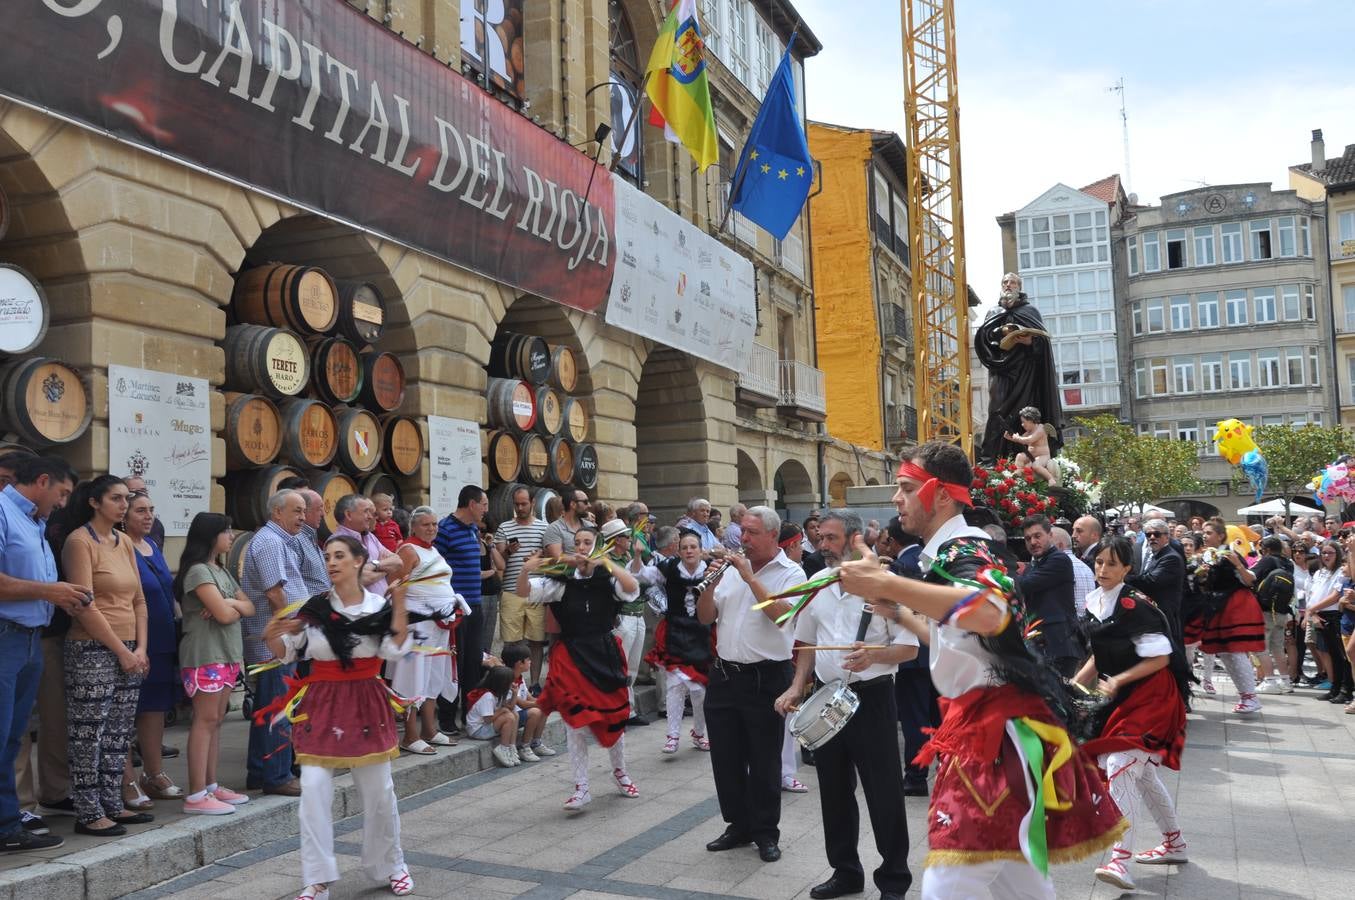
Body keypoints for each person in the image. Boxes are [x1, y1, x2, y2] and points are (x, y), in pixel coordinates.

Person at [836, 442, 1124, 899]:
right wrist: (899, 610)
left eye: (906, 487)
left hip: (994, 734)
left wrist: (887, 582)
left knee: (952, 877)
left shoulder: (964, 548)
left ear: (940, 493)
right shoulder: (949, 553)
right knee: (1017, 877)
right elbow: (962, 640)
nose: (896, 498)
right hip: (989, 725)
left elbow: (990, 612)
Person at [259, 535, 415, 900]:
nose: (331, 562)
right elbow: (288, 653)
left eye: (339, 556)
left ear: (359, 561)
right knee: (313, 790)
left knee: (379, 792)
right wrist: (271, 636)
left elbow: (395, 650)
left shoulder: (378, 607)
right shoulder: (314, 609)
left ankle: (392, 866)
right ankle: (317, 878)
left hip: (365, 703)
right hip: (323, 703)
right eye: (327, 556)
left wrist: (400, 604)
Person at [775, 511, 918, 900]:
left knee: (883, 792)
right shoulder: (817, 583)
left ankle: (894, 880)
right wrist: (797, 686)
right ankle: (845, 872)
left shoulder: (884, 584)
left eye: (831, 538)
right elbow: (807, 642)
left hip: (872, 698)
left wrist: (874, 656)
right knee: (834, 790)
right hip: (826, 695)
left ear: (855, 540)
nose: (822, 545)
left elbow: (910, 647)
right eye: (820, 538)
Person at [1076, 536, 1190, 891]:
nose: (1102, 569)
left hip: (1153, 696)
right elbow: (1100, 653)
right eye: (1099, 562)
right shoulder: (1094, 600)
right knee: (1141, 775)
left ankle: (1120, 860)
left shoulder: (1135, 605)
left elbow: (1160, 659)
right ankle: (1175, 844)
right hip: (1123, 697)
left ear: (1127, 568)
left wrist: (1118, 680)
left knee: (1120, 764)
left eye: (1111, 563)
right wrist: (1075, 684)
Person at [696, 507, 804, 863]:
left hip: (766, 678)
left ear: (773, 535)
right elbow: (705, 617)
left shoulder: (792, 572)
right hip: (725, 675)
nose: (743, 539)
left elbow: (783, 616)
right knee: (726, 758)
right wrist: (709, 586)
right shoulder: (729, 570)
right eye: (742, 531)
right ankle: (738, 825)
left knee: (764, 759)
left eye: (752, 533)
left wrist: (749, 578)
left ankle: (765, 832)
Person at [518, 526, 641, 810]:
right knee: (575, 722)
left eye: (588, 542)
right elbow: (523, 591)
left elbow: (631, 588)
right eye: (578, 543)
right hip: (571, 654)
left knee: (614, 718)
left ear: (598, 546)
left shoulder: (608, 578)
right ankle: (581, 786)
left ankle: (620, 772)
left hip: (604, 653)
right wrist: (527, 568)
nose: (582, 547)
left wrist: (606, 563)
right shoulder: (561, 580)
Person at [61, 476, 151, 837]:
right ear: (95, 502)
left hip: (130, 647)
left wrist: (140, 648)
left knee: (118, 733)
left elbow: (139, 600)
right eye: (116, 498)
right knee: (89, 732)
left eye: (126, 499)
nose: (123, 505)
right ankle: (88, 812)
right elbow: (84, 605)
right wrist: (121, 650)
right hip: (91, 648)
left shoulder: (124, 541)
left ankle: (112, 802)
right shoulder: (79, 541)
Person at [0, 456, 80, 853]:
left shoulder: (34, 521)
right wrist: (51, 592)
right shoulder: (2, 511)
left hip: (29, 638)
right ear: (43, 481)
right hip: (6, 637)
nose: (63, 503)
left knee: (12, 738)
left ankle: (7, 824)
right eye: (62, 493)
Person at [175, 512, 254, 815]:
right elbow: (222, 615)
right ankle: (196, 794)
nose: (231, 536)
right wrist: (229, 607)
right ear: (210, 535)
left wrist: (230, 603)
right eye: (226, 531)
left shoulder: (219, 569)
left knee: (217, 721)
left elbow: (247, 606)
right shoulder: (198, 571)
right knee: (205, 720)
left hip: (226, 653)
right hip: (206, 654)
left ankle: (210, 785)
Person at [239, 490, 309, 797]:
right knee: (278, 708)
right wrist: (290, 628)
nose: (303, 517)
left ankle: (259, 771)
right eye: (297, 511)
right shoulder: (270, 542)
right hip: (276, 642)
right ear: (277, 512)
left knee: (267, 707)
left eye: (304, 511)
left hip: (278, 639)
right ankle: (278, 776)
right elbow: (275, 593)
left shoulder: (279, 540)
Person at [388, 507, 467, 754]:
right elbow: (397, 586)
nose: (432, 528)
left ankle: (429, 729)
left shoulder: (433, 550)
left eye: (434, 524)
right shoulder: (408, 550)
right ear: (414, 527)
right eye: (426, 524)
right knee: (413, 678)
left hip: (440, 625)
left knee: (434, 677)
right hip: (417, 625)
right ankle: (410, 735)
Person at [121, 488, 182, 809]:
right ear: (124, 516)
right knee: (126, 710)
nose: (148, 516)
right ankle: (126, 780)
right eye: (140, 511)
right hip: (134, 639)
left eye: (151, 510)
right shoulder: (121, 545)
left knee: (155, 708)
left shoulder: (153, 546)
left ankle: (154, 773)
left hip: (162, 638)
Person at [640, 530, 715, 753]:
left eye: (693, 547)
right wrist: (636, 557)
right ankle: (672, 735)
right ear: (678, 551)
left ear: (701, 550)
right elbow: (642, 576)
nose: (689, 551)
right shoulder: (669, 567)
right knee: (675, 686)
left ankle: (699, 733)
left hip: (702, 635)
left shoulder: (712, 569)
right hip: (675, 633)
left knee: (700, 691)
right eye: (684, 548)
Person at [975, 273, 1063, 465]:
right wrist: (1000, 333)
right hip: (1001, 370)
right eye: (1005, 282)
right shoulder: (994, 311)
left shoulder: (1030, 311)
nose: (1008, 285)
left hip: (1026, 372)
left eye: (1013, 282)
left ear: (1019, 287)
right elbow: (984, 339)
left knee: (1025, 412)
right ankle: (993, 460)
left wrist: (1030, 341)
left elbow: (1043, 342)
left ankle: (1026, 457)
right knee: (997, 410)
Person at [1184, 518, 1266, 714]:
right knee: (1226, 653)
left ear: (1221, 535)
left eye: (1209, 533)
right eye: (1204, 532)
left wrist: (1238, 565)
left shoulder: (1229, 553)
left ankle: (1251, 697)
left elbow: (1250, 580)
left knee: (1236, 651)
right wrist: (1202, 576)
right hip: (1218, 606)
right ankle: (1246, 696)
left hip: (1236, 605)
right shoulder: (1207, 556)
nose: (1204, 536)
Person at [434, 486, 490, 733]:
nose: (486, 510)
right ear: (471, 504)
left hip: (475, 606)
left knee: (473, 664)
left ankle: (471, 716)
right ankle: (446, 719)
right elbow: (436, 568)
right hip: (454, 609)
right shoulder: (445, 529)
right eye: (484, 504)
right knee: (453, 664)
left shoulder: (473, 529)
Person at [494, 487, 548, 689]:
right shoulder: (504, 527)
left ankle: (534, 684)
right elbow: (499, 562)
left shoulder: (544, 527)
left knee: (536, 641)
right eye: (516, 504)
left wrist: (539, 556)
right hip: (511, 591)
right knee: (511, 643)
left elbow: (551, 558)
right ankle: (513, 684)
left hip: (537, 591)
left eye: (524, 504)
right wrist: (508, 551)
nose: (520, 508)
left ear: (532, 503)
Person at [1016, 515, 1081, 677]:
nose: (1033, 542)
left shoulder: (1059, 559)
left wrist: (998, 576)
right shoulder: (1033, 566)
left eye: (1037, 536)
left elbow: (1024, 585)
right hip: (1041, 645)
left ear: (1050, 535)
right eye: (1028, 538)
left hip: (1059, 645)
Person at [600, 518, 648, 725]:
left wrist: (636, 557)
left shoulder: (627, 557)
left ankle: (628, 710)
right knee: (620, 666)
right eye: (627, 537)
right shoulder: (605, 561)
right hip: (622, 617)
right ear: (616, 540)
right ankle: (616, 711)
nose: (630, 539)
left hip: (638, 614)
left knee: (632, 667)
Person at [1126, 518, 1186, 648]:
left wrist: (1122, 577)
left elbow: (1151, 581)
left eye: (1157, 534)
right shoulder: (1156, 555)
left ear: (1167, 537)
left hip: (1164, 616)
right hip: (1151, 614)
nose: (1152, 537)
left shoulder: (1171, 557)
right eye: (1148, 535)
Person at [1247, 536, 1295, 695]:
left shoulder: (1267, 560)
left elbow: (1250, 576)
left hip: (1264, 610)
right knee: (1277, 647)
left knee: (1261, 647)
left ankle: (1270, 680)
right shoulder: (1288, 563)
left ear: (1266, 550)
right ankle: (1285, 681)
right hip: (1281, 610)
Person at [334, 496, 401, 596]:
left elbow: (398, 562)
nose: (371, 517)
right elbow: (357, 579)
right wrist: (385, 567)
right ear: (348, 515)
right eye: (366, 511)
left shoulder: (370, 536)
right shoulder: (337, 543)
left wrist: (374, 566)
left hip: (382, 603)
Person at [465, 665, 531, 767]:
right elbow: (487, 720)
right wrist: (502, 710)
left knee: (514, 714)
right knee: (508, 717)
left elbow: (511, 707)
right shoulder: (487, 696)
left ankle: (511, 746)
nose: (512, 684)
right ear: (502, 684)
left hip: (486, 726)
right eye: (510, 682)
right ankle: (503, 748)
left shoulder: (498, 693)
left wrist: (514, 694)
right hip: (477, 730)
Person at [1004, 406, 1059, 485]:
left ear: (1031, 420)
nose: (1022, 425)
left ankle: (1050, 478)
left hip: (1043, 456)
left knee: (1036, 465)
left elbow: (1029, 440)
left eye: (1024, 422)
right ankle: (1018, 471)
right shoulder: (1029, 431)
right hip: (1031, 455)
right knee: (1020, 456)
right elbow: (1021, 440)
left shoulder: (1041, 429)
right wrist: (1010, 438)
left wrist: (1017, 438)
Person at [1052, 526, 1094, 618]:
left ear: (1060, 546)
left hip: (1070, 622)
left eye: (1048, 545)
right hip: (1088, 621)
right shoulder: (1086, 567)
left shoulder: (1057, 566)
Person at [295, 489, 330, 596]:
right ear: (304, 511)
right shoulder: (296, 539)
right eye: (319, 509)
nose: (323, 514)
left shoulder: (310, 536)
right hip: (307, 605)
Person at [543, 489, 589, 556]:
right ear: (573, 504)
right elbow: (558, 558)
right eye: (585, 502)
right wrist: (582, 559)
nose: (589, 505)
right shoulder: (555, 529)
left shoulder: (590, 526)